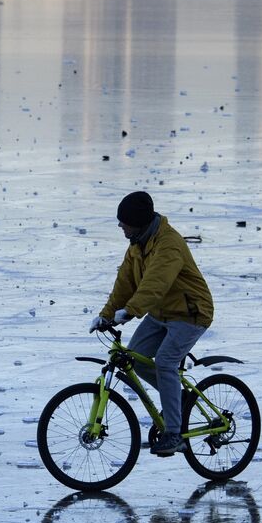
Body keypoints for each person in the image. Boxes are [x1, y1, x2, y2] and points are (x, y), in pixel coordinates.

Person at [89, 191, 214, 457]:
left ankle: (174, 434)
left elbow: (156, 283)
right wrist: (107, 314)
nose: (120, 226)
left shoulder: (168, 244)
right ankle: (178, 399)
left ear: (139, 222)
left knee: (166, 363)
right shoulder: (137, 243)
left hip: (191, 313)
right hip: (161, 313)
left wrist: (131, 311)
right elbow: (125, 283)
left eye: (124, 222)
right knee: (134, 359)